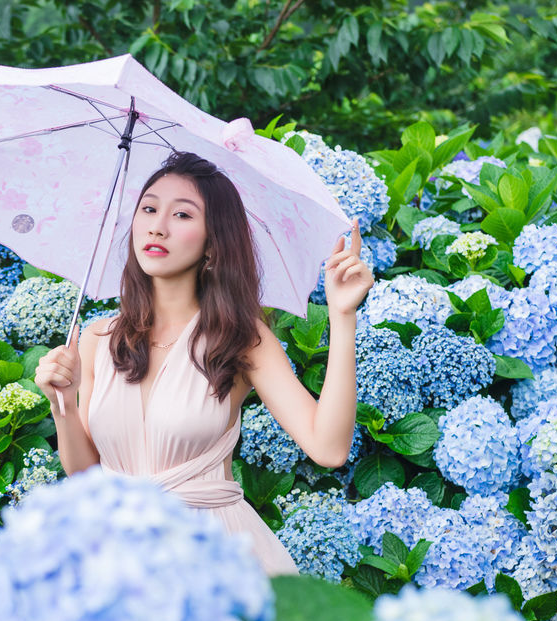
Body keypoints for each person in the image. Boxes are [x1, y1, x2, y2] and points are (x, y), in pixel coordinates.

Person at [35, 150, 374, 579]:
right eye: (149, 208)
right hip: (116, 553)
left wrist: (343, 316)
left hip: (211, 557)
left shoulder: (241, 339)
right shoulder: (99, 338)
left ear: (214, 241)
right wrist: (62, 402)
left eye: (182, 215)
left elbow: (328, 449)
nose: (157, 225)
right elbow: (86, 474)